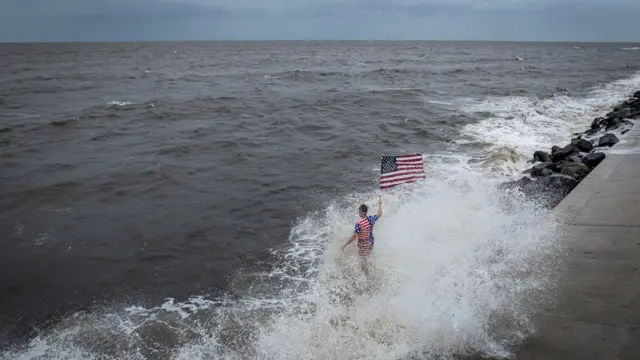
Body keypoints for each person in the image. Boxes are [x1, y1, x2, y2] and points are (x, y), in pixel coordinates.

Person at [341, 195, 382, 273]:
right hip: (371, 242)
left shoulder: (359, 224)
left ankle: (366, 274)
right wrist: (380, 204)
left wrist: (345, 245)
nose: (359, 213)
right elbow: (380, 213)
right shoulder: (371, 219)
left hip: (363, 245)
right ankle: (370, 267)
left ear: (361, 213)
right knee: (368, 255)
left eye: (359, 212)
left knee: (363, 261)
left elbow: (353, 237)